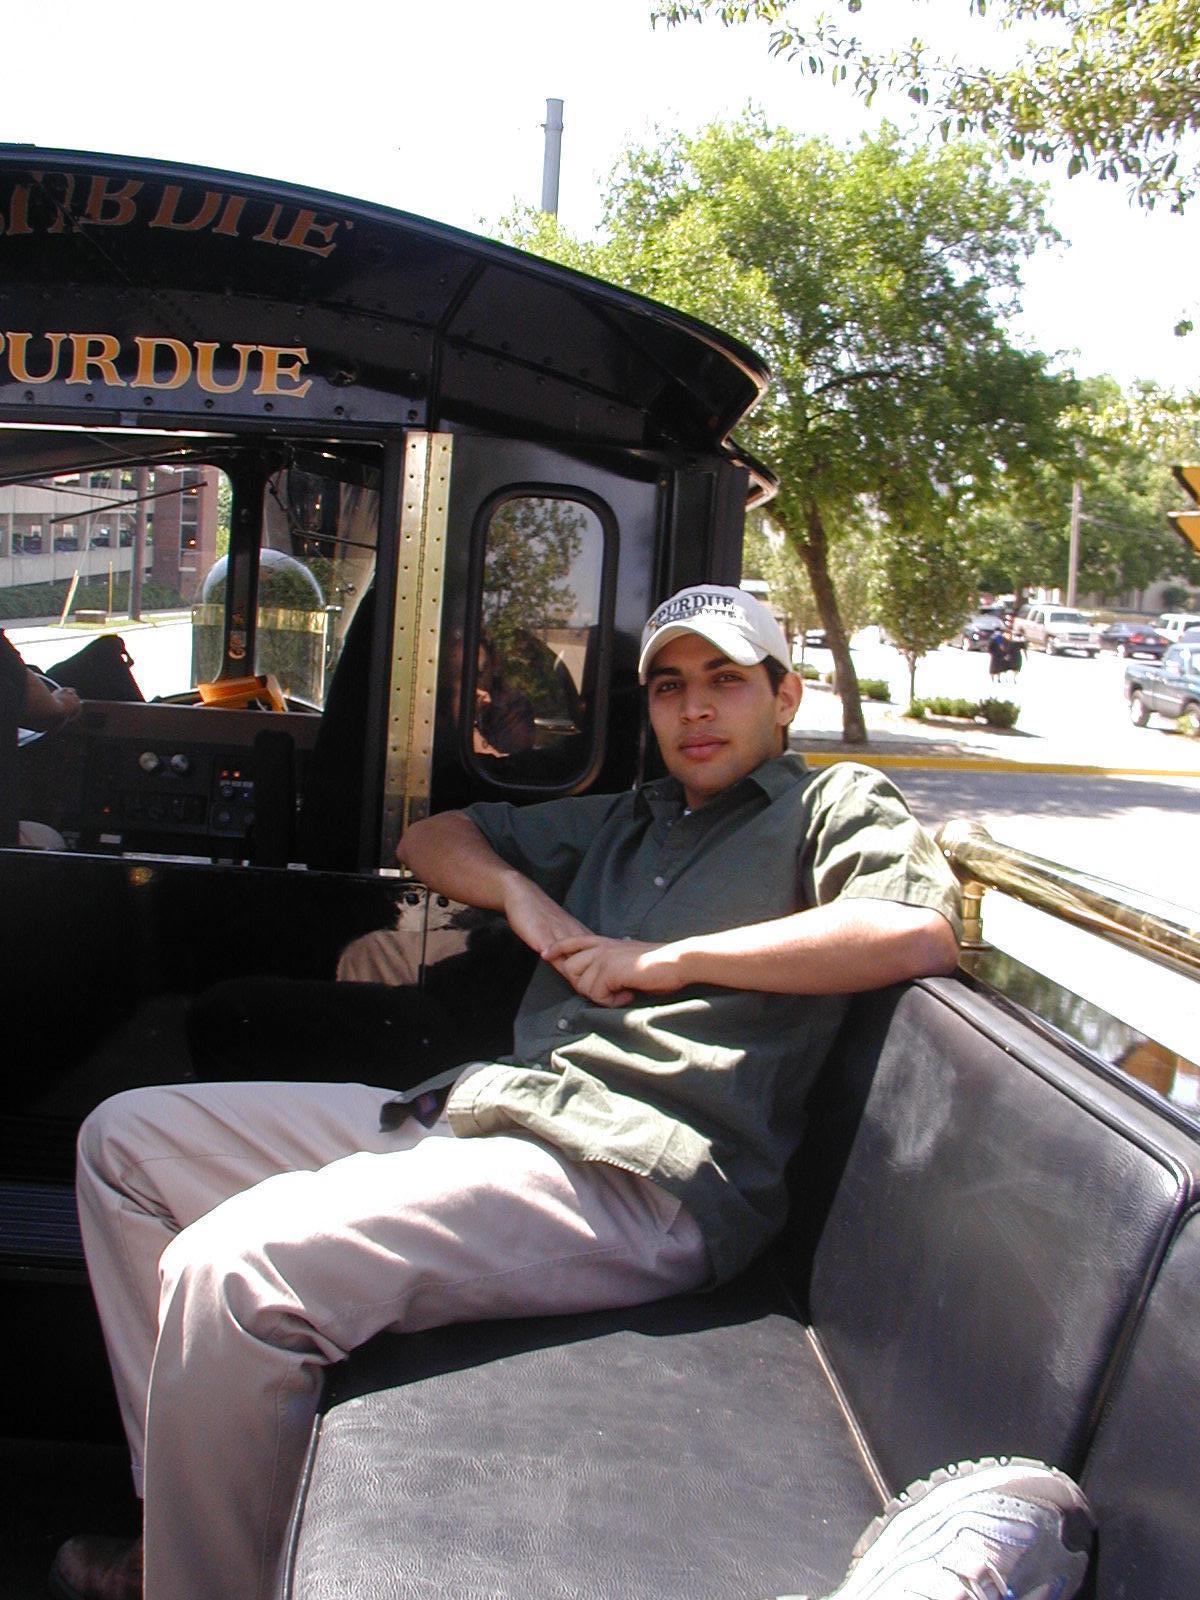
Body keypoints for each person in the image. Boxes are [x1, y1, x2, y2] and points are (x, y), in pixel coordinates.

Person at [51, 585, 1084, 1600]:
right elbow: (430, 837)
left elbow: (911, 930)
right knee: (126, 1144)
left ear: (785, 696)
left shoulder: (831, 803)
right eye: (670, 687)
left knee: (231, 1270)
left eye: (725, 680)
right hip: (495, 1111)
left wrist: (669, 960)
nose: (694, 708)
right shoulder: (629, 819)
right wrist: (522, 898)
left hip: (636, 1170)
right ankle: (181, 1527)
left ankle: (199, 1583)